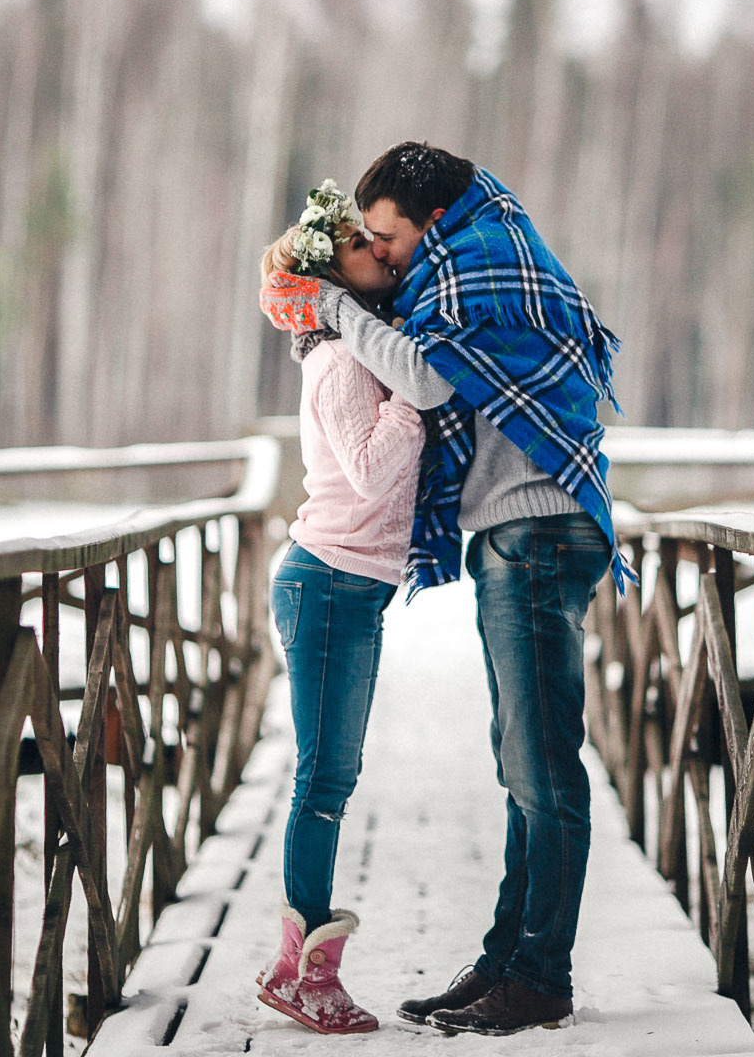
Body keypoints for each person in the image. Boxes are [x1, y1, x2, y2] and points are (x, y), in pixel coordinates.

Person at [308, 142, 631, 1037]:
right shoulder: (473, 258)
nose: (383, 253)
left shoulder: (476, 266)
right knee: (521, 761)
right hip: (523, 528)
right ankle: (506, 959)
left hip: (533, 528)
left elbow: (422, 371)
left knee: (541, 767)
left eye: (386, 236)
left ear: (432, 222)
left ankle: (540, 976)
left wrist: (333, 305)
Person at [255, 179, 425, 1036]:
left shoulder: (360, 352)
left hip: (347, 584)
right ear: (334, 279)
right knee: (322, 780)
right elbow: (366, 468)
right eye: (360, 244)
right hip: (326, 579)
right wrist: (414, 406)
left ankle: (299, 967)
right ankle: (302, 977)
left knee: (331, 776)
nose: (377, 248)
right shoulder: (340, 362)